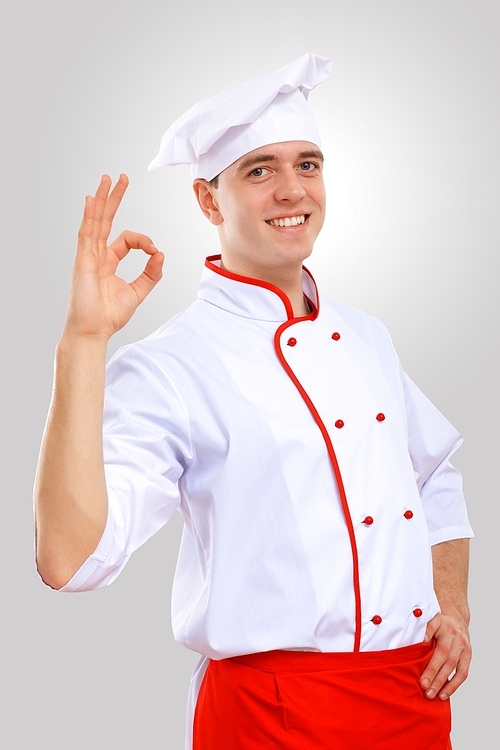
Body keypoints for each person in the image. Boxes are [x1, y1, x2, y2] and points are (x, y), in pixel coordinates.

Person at [34, 54, 473, 750]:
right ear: (209, 202)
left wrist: (451, 604)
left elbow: (433, 480)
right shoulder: (171, 365)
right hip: (272, 715)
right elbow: (70, 559)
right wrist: (83, 344)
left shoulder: (366, 337)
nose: (291, 190)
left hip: (409, 699)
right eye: (259, 170)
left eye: (308, 164)